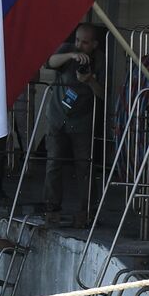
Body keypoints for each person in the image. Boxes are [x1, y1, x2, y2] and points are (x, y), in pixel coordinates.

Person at [43, 23, 102, 228]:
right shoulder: (67, 50)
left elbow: (103, 94)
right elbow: (49, 62)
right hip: (58, 116)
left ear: (94, 44)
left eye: (85, 42)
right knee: (53, 162)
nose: (79, 45)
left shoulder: (101, 60)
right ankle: (52, 210)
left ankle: (86, 212)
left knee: (84, 166)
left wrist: (89, 80)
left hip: (82, 121)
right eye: (77, 40)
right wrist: (70, 56)